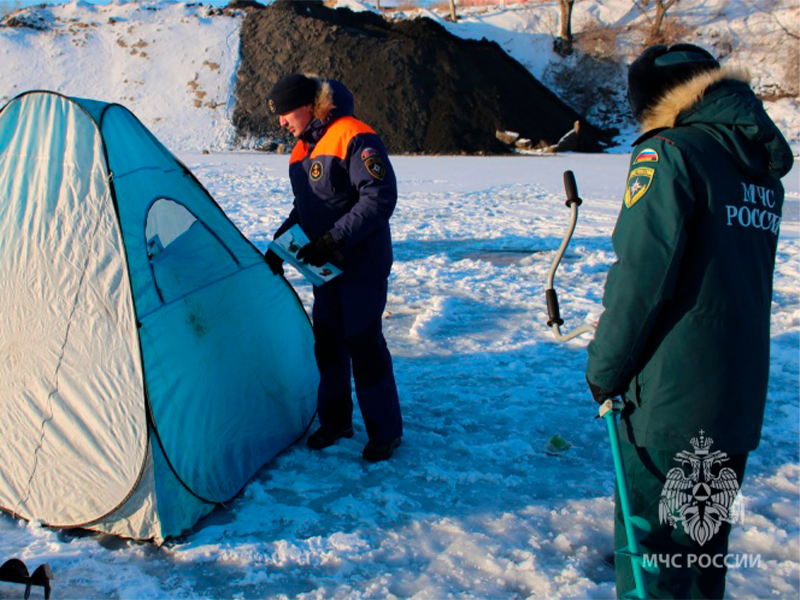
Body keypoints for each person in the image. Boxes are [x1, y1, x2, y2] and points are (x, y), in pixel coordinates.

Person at [585, 44, 793, 598]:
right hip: (734, 397)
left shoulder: (671, 153)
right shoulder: (756, 167)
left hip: (668, 403)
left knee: (653, 557)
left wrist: (604, 369)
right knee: (703, 555)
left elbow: (641, 278)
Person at [264, 73, 403, 462]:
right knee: (327, 345)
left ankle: (386, 431)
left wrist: (335, 238)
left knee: (364, 345)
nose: (281, 121)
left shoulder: (353, 135)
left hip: (360, 266)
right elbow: (307, 208)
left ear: (307, 106)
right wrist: (281, 244)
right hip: (325, 269)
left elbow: (379, 197)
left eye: (285, 112)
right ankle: (337, 420)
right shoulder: (300, 151)